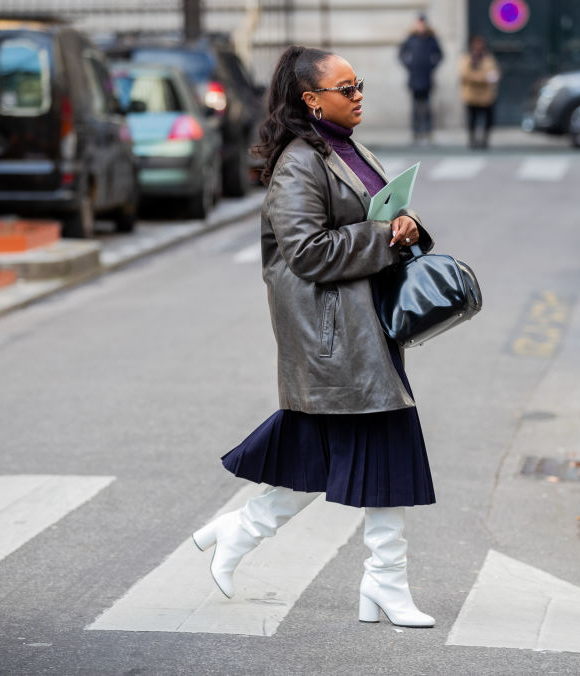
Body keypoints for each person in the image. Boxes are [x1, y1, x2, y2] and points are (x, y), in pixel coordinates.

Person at [191, 44, 437, 628]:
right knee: (381, 447)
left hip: (365, 326)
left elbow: (376, 219)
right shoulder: (301, 161)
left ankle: (249, 534)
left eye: (359, 85)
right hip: (335, 336)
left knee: (341, 452)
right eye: (346, 88)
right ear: (312, 99)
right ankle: (383, 584)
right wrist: (384, 237)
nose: (359, 97)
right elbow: (306, 252)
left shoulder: (346, 149)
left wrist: (405, 227)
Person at [399, 13, 444, 144]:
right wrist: (409, 65)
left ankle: (428, 131)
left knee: (427, 106)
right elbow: (401, 54)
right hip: (414, 77)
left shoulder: (431, 39)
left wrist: (432, 66)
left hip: (426, 77)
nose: (421, 26)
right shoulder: (411, 38)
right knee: (415, 106)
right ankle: (416, 131)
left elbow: (440, 55)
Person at [460, 35, 501, 149]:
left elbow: (494, 74)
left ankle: (485, 139)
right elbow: (464, 75)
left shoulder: (488, 59)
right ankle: (472, 139)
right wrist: (482, 78)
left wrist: (488, 78)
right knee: (472, 118)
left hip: (486, 95)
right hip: (472, 94)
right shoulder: (467, 59)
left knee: (488, 118)